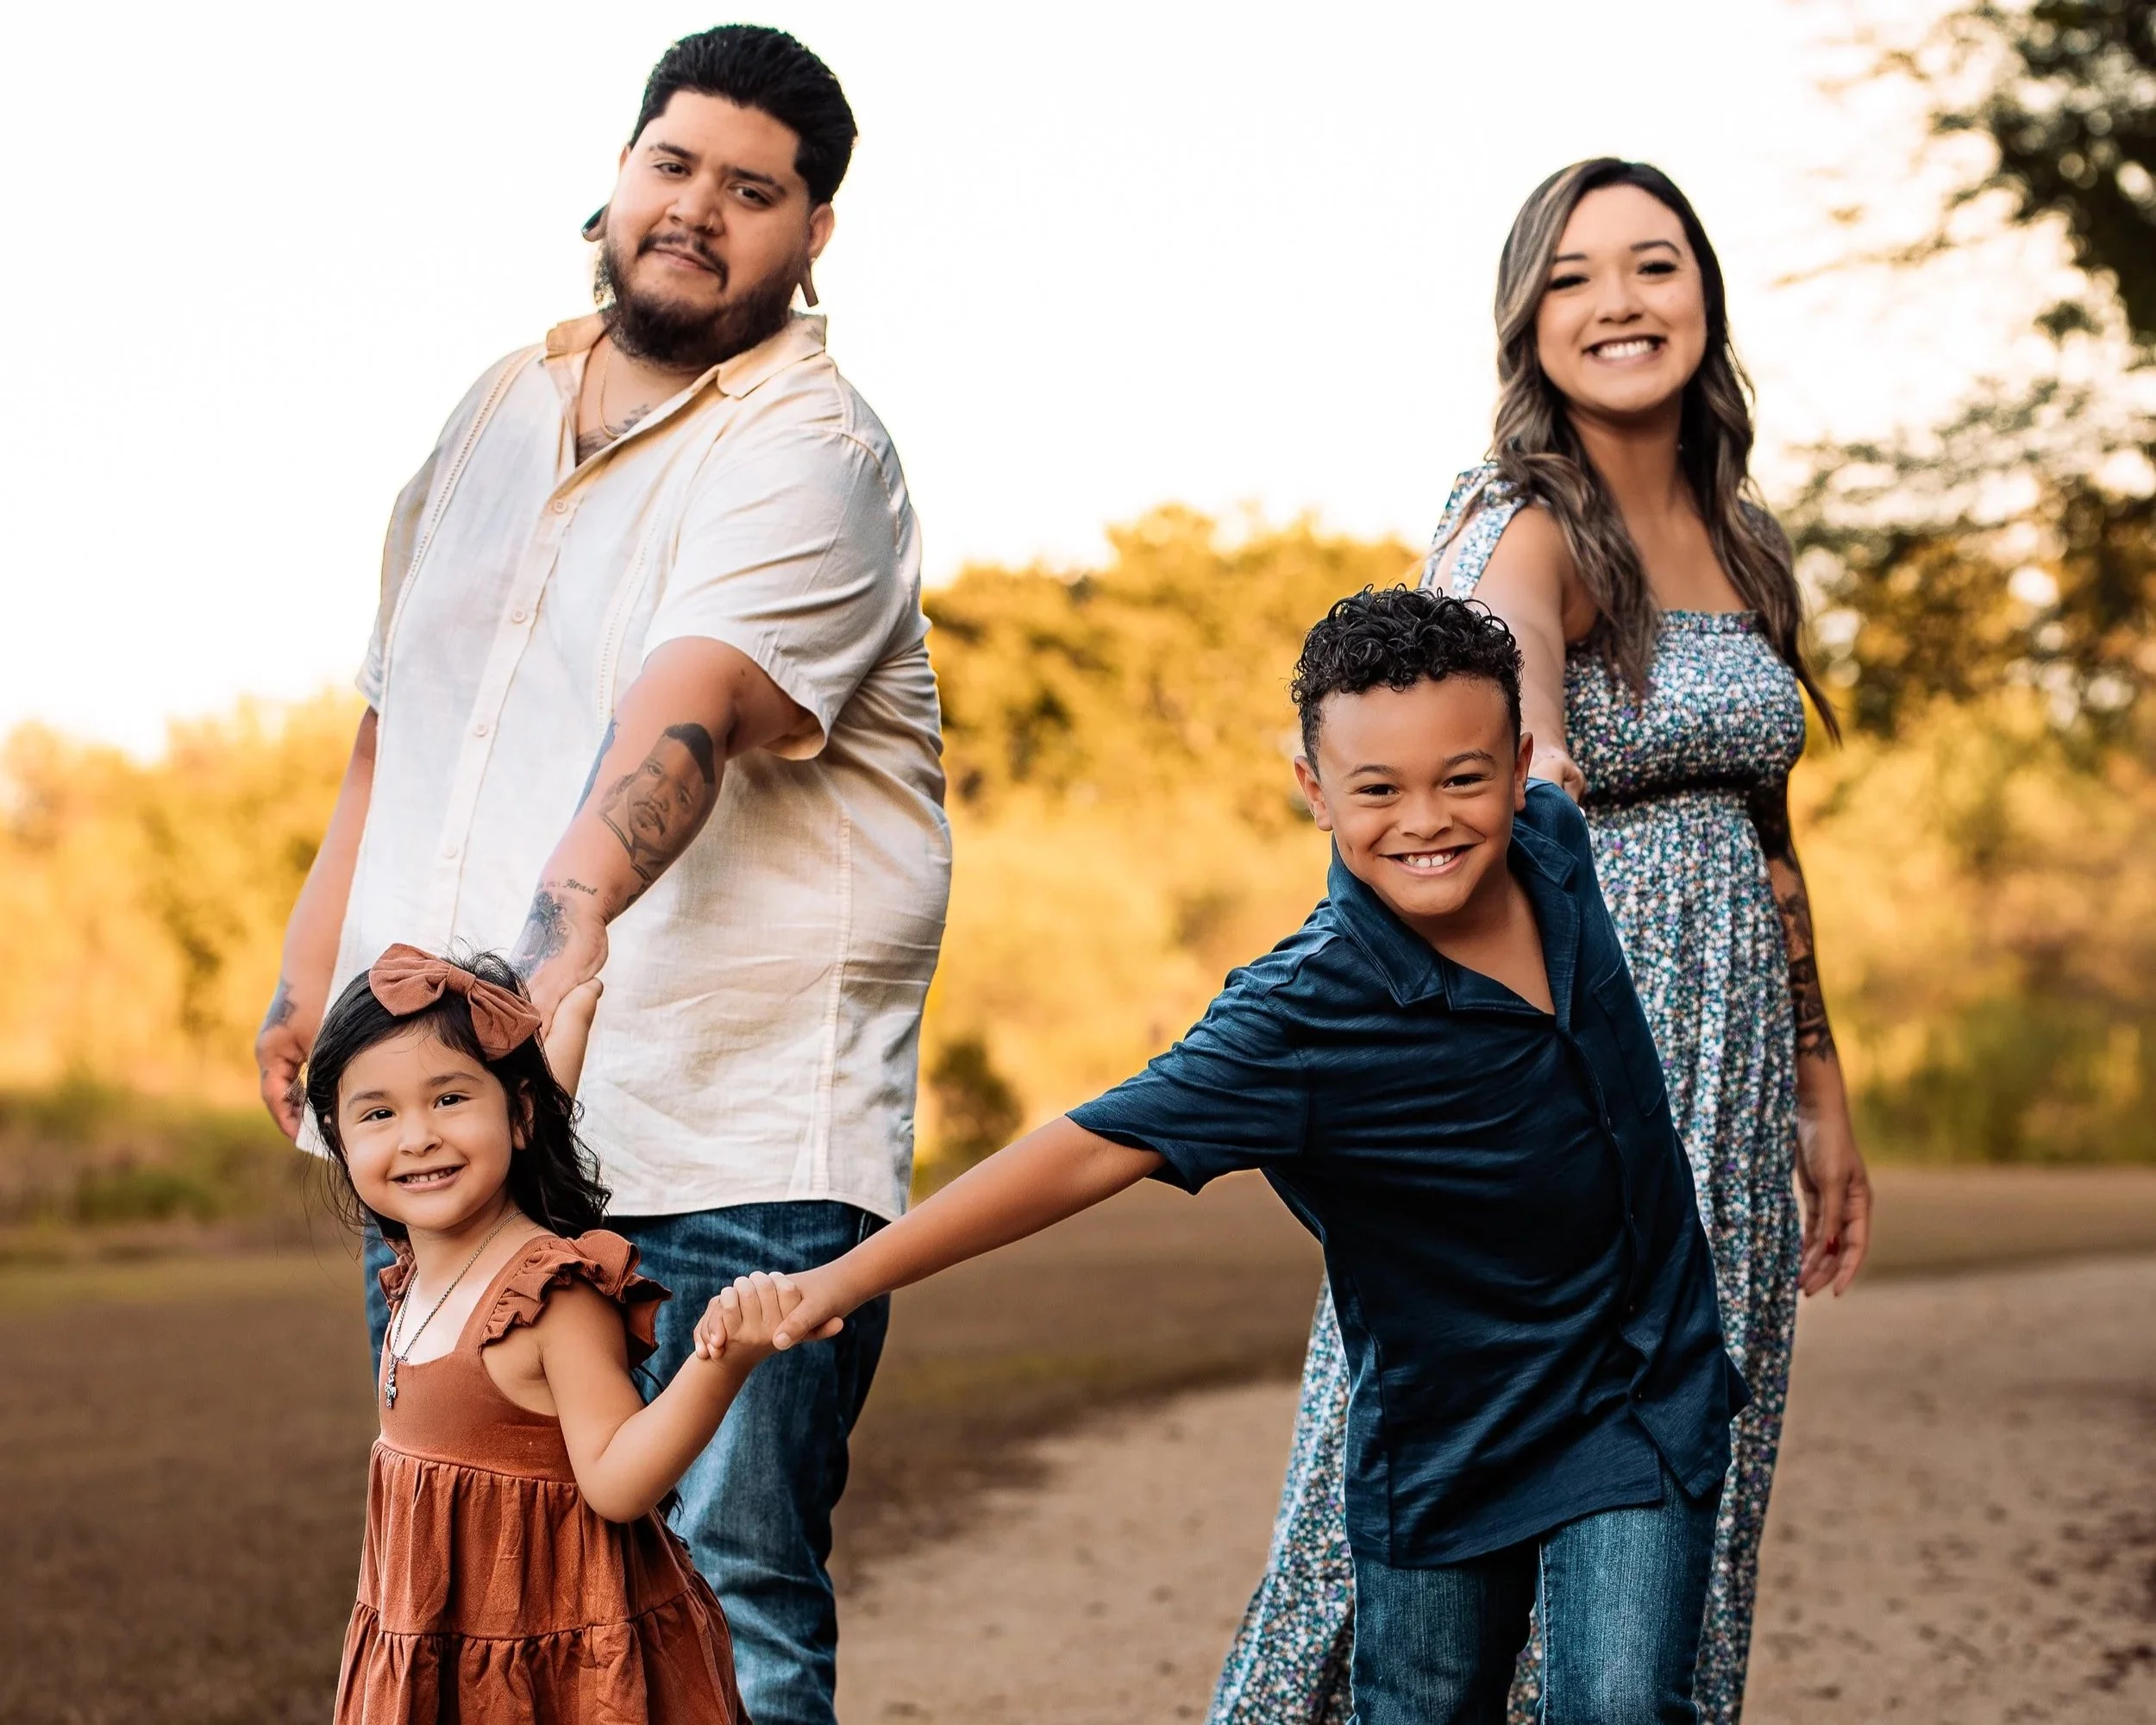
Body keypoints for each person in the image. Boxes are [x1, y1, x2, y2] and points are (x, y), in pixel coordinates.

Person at [253, 27, 949, 1725]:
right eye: (673, 164)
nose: (697, 209)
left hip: (721, 1135)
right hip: (470, 1128)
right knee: (480, 1601)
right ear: (618, 172)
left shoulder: (812, 450)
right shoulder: (494, 407)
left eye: (751, 189)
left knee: (709, 1623)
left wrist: (548, 952)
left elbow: (684, 717)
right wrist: (302, 978)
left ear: (813, 233)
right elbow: (386, 726)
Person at [757, 588, 1750, 1725]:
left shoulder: (1554, 848)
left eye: (1463, 778)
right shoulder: (1299, 1013)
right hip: (1449, 1440)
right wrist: (836, 1280)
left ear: (1518, 766)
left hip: (1642, 1386)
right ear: (1314, 791)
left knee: (1622, 1705)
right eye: (1377, 789)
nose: (1426, 819)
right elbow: (1089, 1149)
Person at [1211, 160, 1876, 1725]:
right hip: (1558, 1080)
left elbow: (1767, 840)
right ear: (1528, 319)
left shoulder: (1743, 537)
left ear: (1704, 297)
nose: (1619, 304)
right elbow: (1515, 800)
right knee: (1469, 1512)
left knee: (1669, 1507)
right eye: (1575, 277)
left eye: (1653, 267)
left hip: (1724, 1093)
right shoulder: (1523, 529)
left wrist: (1818, 1081)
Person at [306, 944, 806, 1724]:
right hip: (441, 1640)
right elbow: (523, 1115)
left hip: (554, 1661)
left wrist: (724, 1360)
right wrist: (565, 1022)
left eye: (448, 1100)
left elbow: (616, 1481)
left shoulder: (550, 1294)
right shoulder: (418, 1266)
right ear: (338, 1136)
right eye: (379, 1113)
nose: (417, 1138)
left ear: (518, 1114)